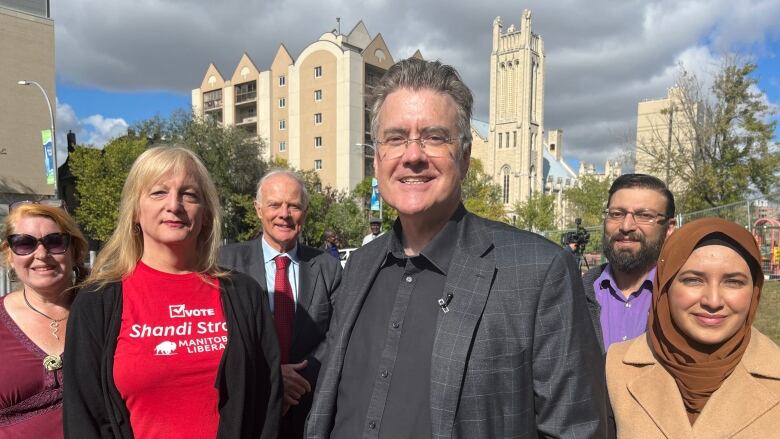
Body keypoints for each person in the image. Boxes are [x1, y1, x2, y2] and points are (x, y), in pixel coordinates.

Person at [306, 58, 606, 438]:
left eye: (434, 137)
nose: (412, 155)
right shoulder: (360, 267)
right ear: (378, 157)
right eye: (395, 138)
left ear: (464, 158)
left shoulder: (537, 272)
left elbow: (575, 429)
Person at [63, 146, 281, 438]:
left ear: (205, 214)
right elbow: (83, 418)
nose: (174, 205)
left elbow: (267, 403)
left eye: (189, 194)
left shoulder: (244, 294)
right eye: (158, 192)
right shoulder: (97, 301)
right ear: (135, 211)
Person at [606, 217, 780, 437]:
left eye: (733, 282)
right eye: (693, 280)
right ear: (666, 285)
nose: (713, 301)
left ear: (754, 290)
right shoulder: (613, 369)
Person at [219, 170, 342, 439]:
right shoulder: (225, 264)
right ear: (258, 209)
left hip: (307, 408)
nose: (284, 214)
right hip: (247, 407)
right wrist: (272, 377)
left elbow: (338, 334)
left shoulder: (328, 268)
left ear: (305, 212)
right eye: (274, 204)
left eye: (294, 206)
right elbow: (218, 335)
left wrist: (298, 381)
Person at [0, 203, 88, 438]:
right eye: (24, 243)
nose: (41, 254)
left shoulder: (102, 312)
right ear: (10, 254)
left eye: (54, 241)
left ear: (75, 250)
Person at [582, 174, 676, 352]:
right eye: (616, 214)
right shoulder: (574, 296)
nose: (626, 226)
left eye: (644, 215)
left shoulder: (686, 298)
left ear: (669, 228)